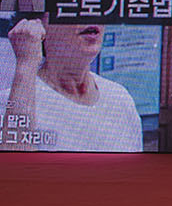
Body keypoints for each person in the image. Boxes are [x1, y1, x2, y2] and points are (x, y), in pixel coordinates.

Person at [3, 18, 142, 152]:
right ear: (37, 24)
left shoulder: (120, 98)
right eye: (73, 8)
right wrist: (26, 64)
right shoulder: (12, 102)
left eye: (98, 7)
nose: (92, 15)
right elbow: (15, 166)